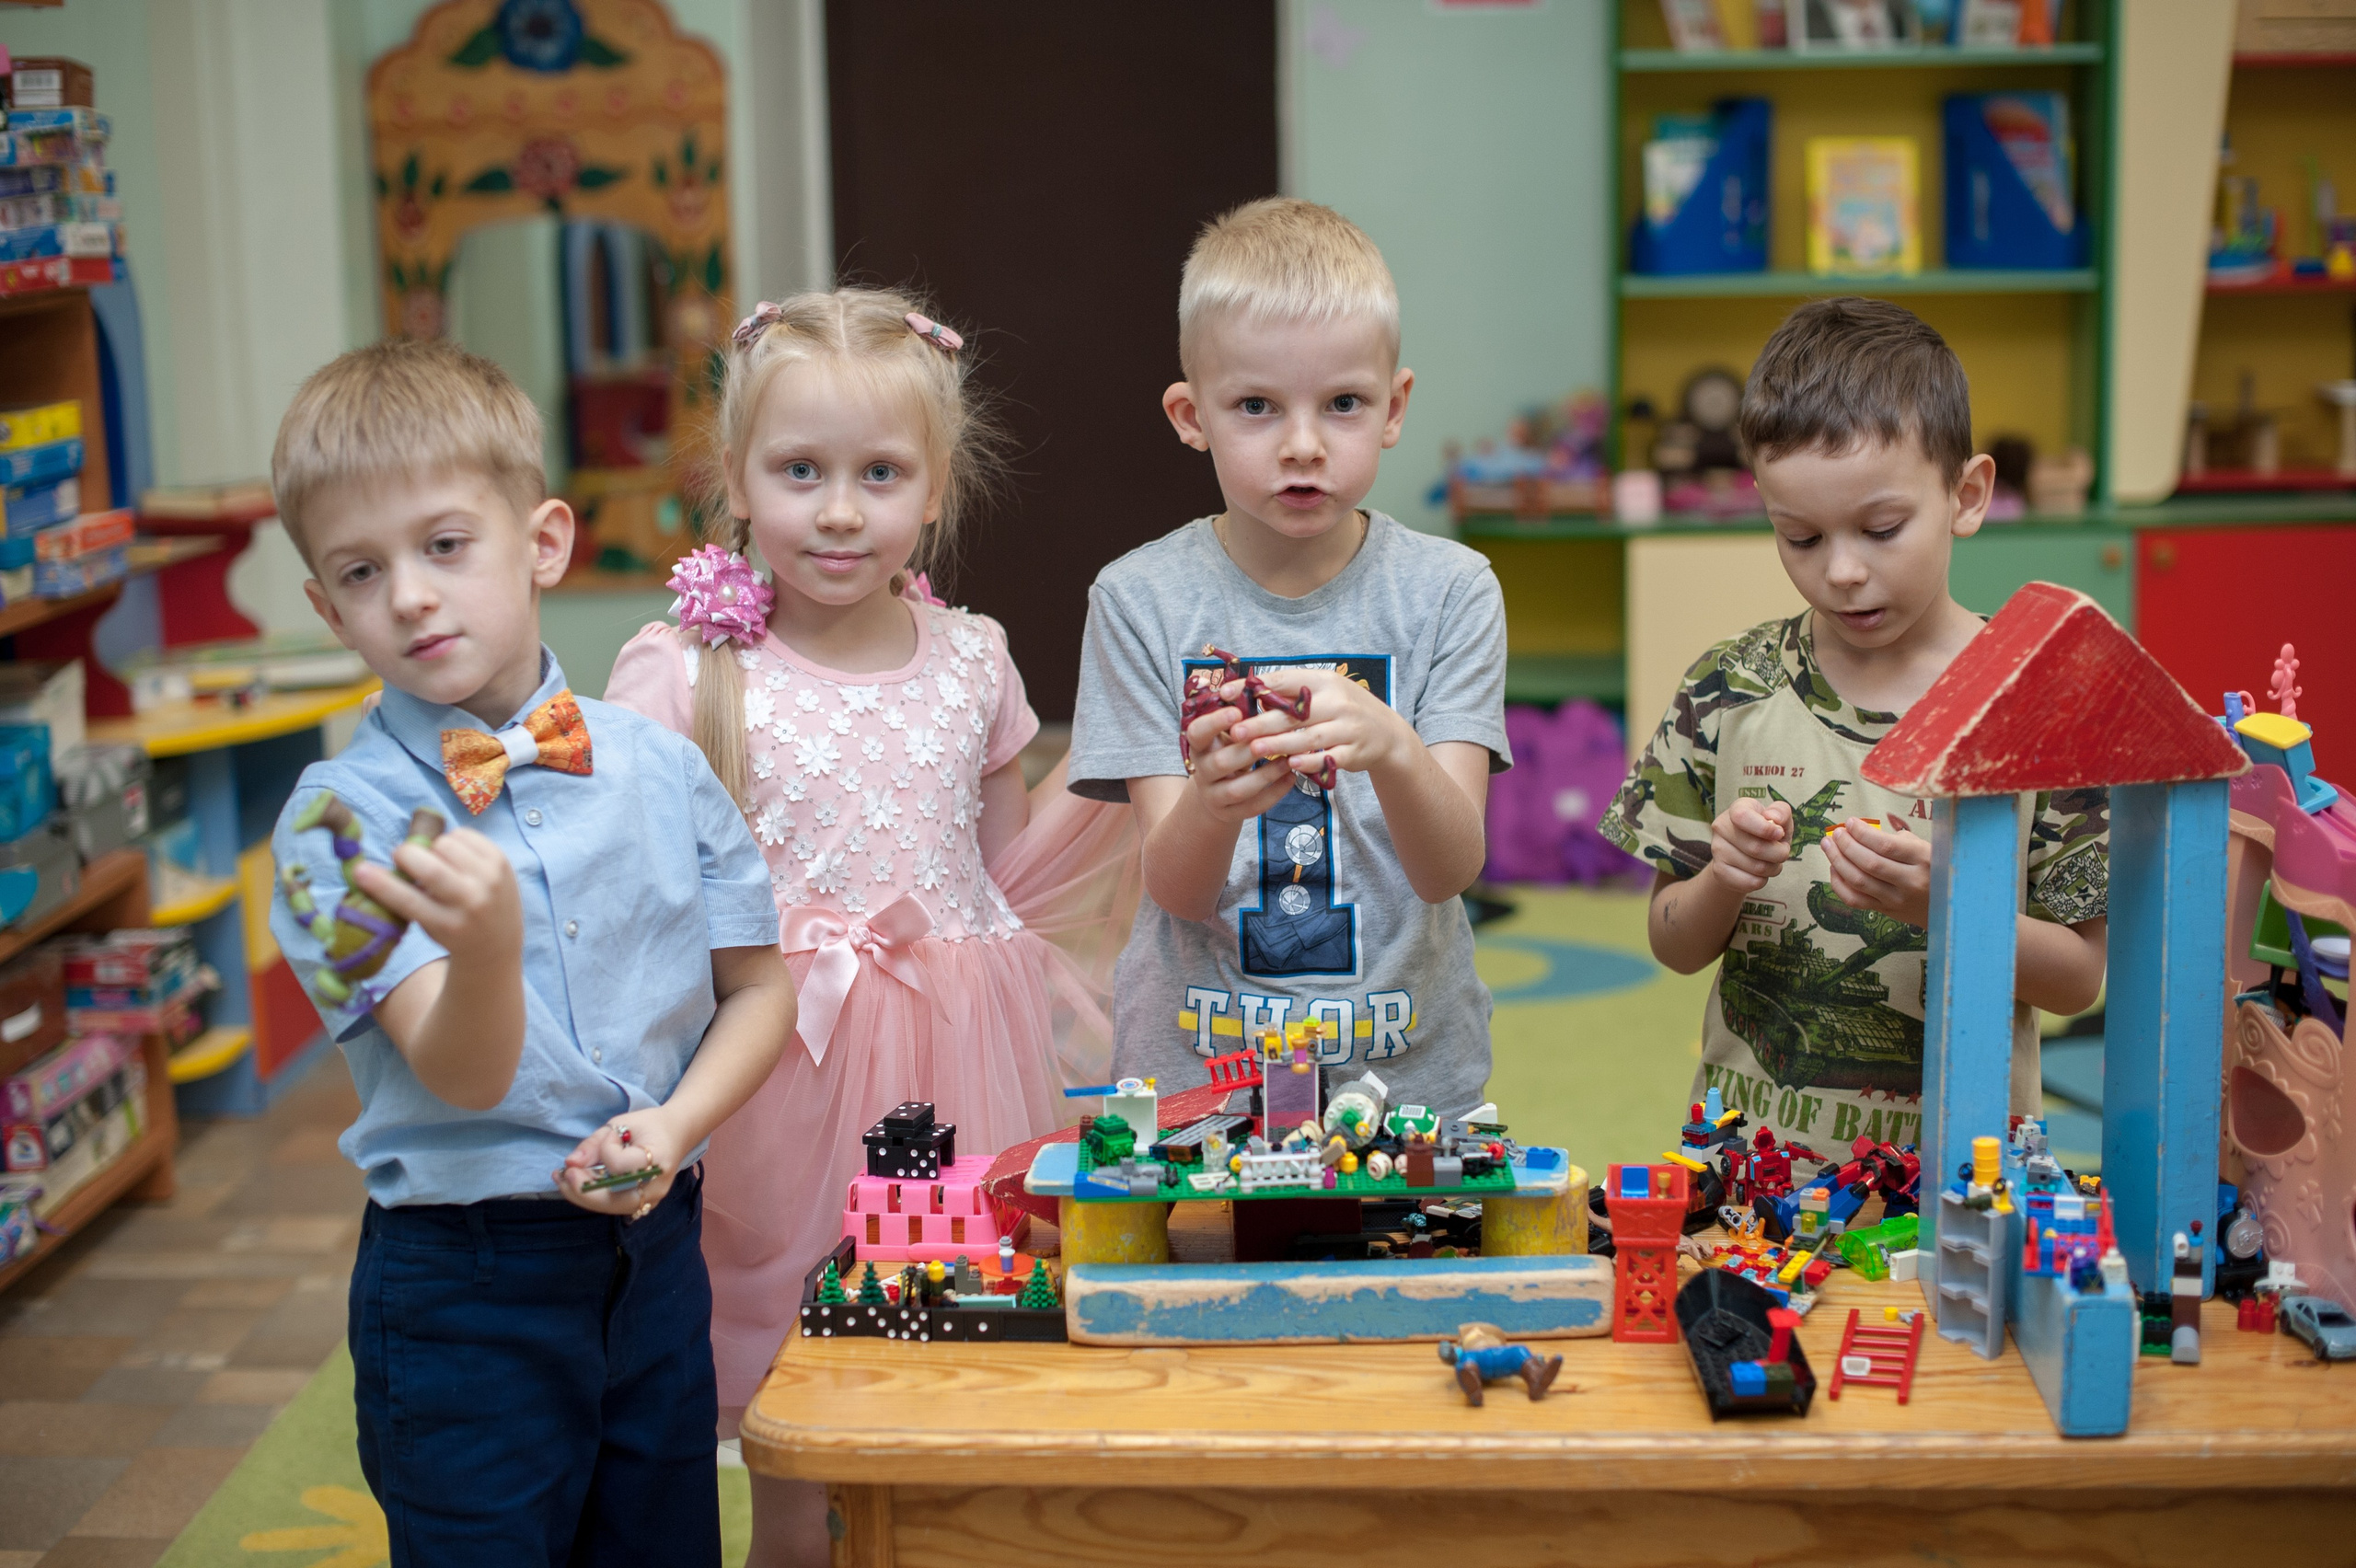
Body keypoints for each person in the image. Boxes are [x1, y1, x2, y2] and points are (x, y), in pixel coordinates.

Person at [604, 287, 1133, 1565]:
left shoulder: (975, 660)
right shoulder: (682, 671)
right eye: (800, 471)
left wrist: (1134, 781)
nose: (840, 510)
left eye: (879, 474)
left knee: (964, 1381)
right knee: (798, 1401)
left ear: (935, 491)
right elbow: (627, 905)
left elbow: (1008, 873)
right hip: (778, 1082)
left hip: (964, 1071)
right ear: (736, 479)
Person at [266, 339, 795, 1567]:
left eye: (445, 545)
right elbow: (458, 1072)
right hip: (465, 1291)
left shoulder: (661, 767)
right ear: (325, 606)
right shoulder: (335, 825)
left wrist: (674, 1127)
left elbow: (758, 990)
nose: (409, 594)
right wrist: (489, 950)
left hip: (656, 1258)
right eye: (361, 570)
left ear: (542, 542)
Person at [1601, 297, 2108, 1159]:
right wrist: (1723, 878)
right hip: (1750, 1173)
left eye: (1882, 530)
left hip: (1959, 1186)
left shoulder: (2037, 703)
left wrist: (1945, 904)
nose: (1840, 572)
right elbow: (1674, 943)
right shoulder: (1728, 689)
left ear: (1968, 495)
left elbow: (2077, 982)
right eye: (1798, 537)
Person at [1067, 197, 1509, 1115]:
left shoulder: (1452, 592)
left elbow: (1449, 868)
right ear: (1192, 415)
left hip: (1407, 1082)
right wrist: (1215, 799)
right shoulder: (1137, 602)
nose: (1302, 446)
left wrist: (1391, 746)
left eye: (1342, 404)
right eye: (1257, 407)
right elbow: (1176, 888)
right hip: (1200, 1089)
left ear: (1394, 408)